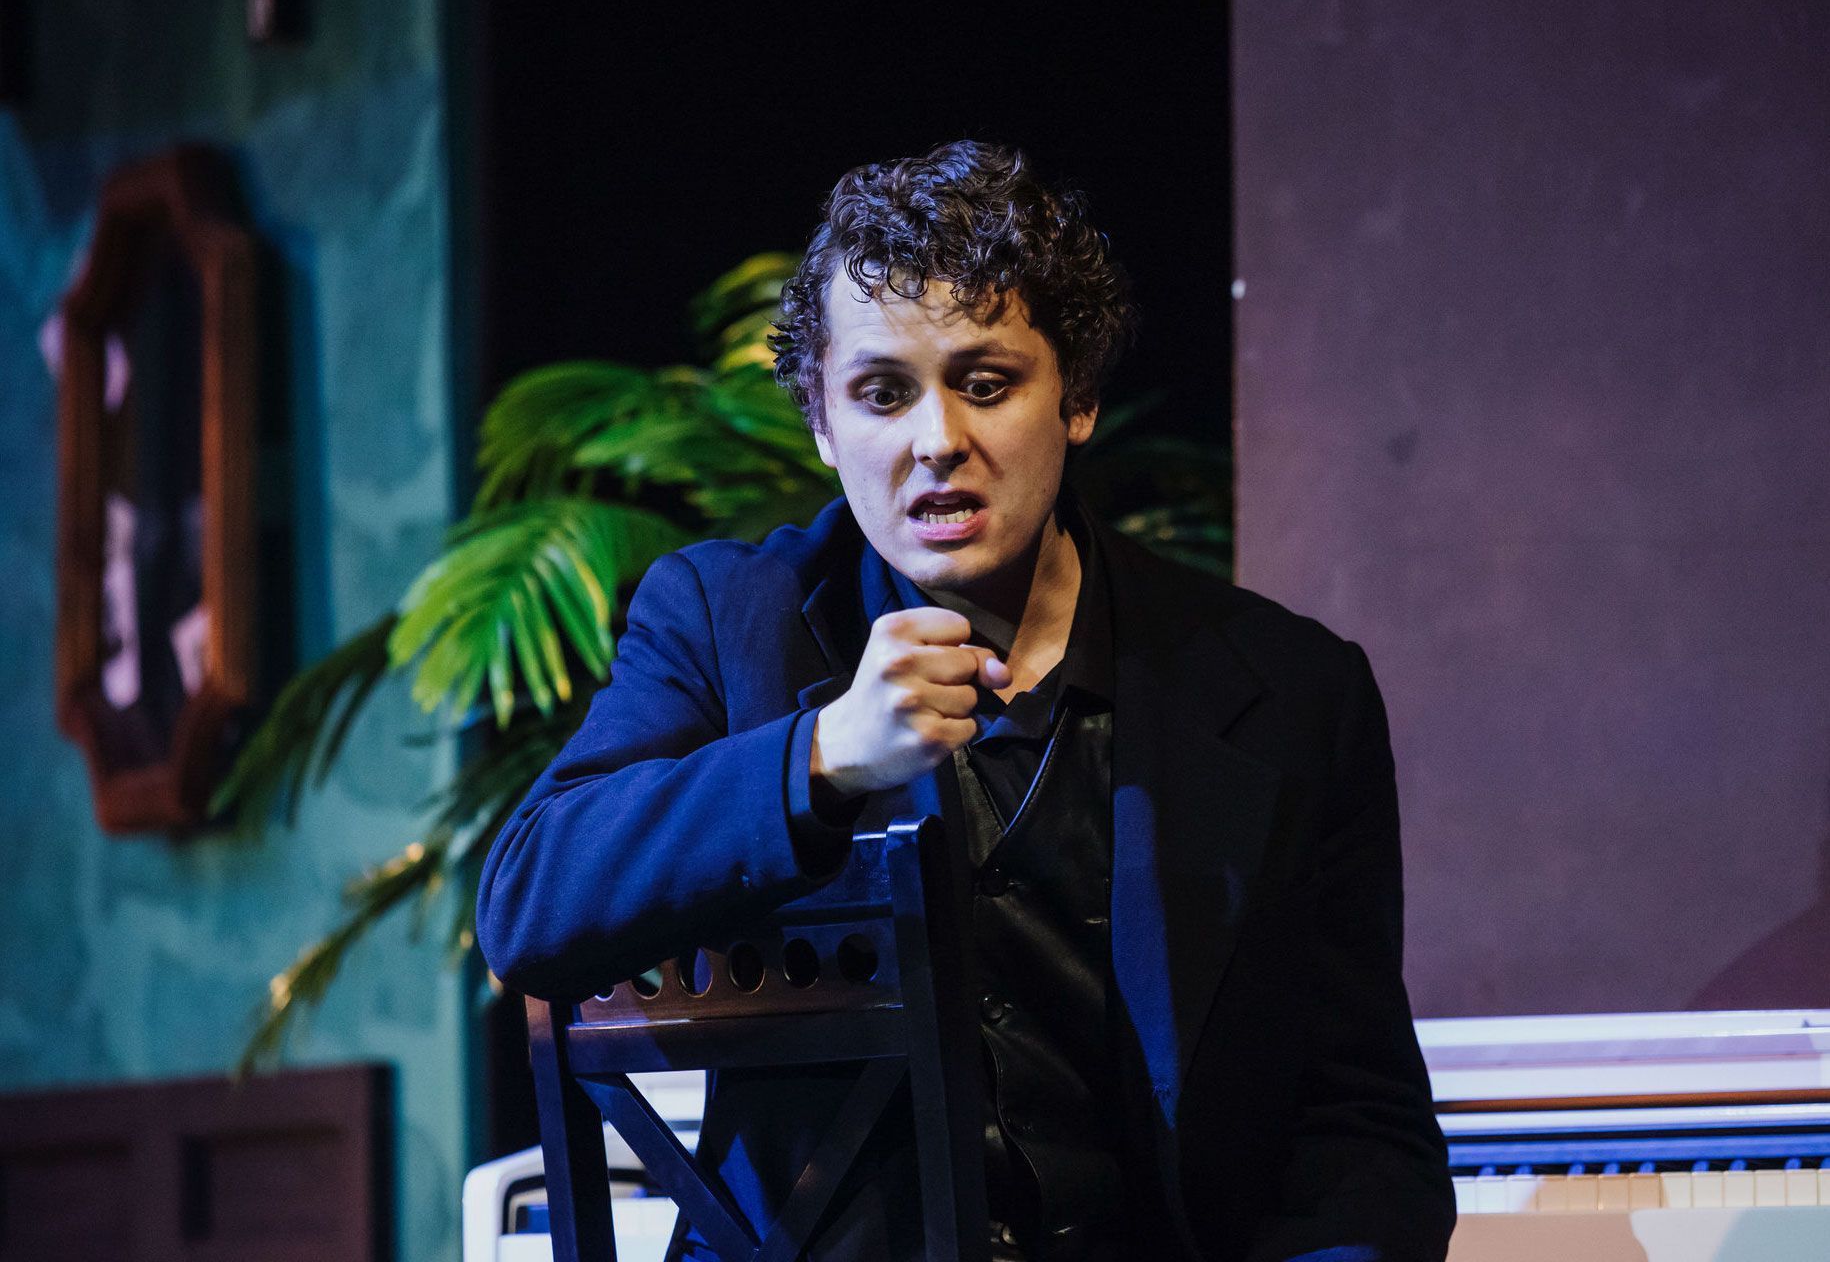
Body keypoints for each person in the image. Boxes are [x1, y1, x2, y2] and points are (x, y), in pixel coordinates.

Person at [477, 140, 1454, 1262]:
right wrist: (819, 757)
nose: (938, 441)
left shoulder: (1287, 689)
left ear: (1076, 399)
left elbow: (1360, 1127)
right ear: (822, 423)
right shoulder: (727, 618)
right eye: (881, 393)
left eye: (985, 385)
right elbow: (528, 904)